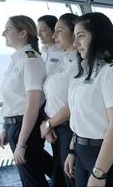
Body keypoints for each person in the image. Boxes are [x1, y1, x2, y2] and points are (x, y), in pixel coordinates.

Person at [63, 12, 113, 187]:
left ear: (98, 36)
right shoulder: (83, 70)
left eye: (81, 36)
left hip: (107, 155)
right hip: (82, 150)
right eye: (74, 37)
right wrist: (73, 150)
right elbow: (79, 117)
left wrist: (99, 173)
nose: (75, 43)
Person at [0, 15, 48, 186]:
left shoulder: (30, 59)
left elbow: (32, 105)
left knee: (32, 181)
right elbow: (12, 100)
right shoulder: (17, 59)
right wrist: (6, 127)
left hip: (25, 127)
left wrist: (21, 143)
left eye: (8, 29)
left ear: (23, 33)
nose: (3, 33)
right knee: (35, 172)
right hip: (16, 125)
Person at [40, 13, 79, 187]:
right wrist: (48, 123)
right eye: (53, 31)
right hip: (57, 125)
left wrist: (47, 125)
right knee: (63, 175)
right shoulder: (63, 59)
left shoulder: (79, 63)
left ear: (74, 34)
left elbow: (73, 105)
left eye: (59, 31)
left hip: (69, 127)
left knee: (71, 176)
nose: (54, 36)